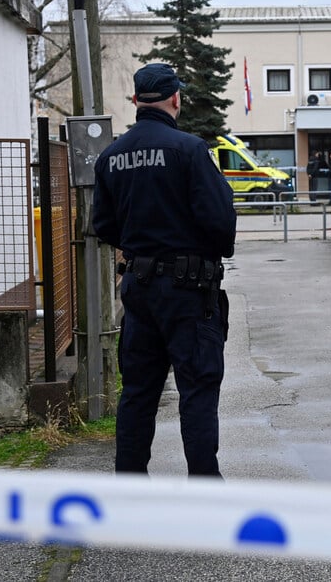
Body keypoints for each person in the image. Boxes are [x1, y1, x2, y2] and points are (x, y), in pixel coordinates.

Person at [92, 63, 237, 477]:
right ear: (176, 98)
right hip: (189, 291)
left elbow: (103, 226)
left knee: (138, 391)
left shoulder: (110, 157)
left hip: (138, 289)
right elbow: (219, 220)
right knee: (197, 388)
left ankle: (131, 484)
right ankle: (204, 485)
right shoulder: (190, 149)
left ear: (136, 101)